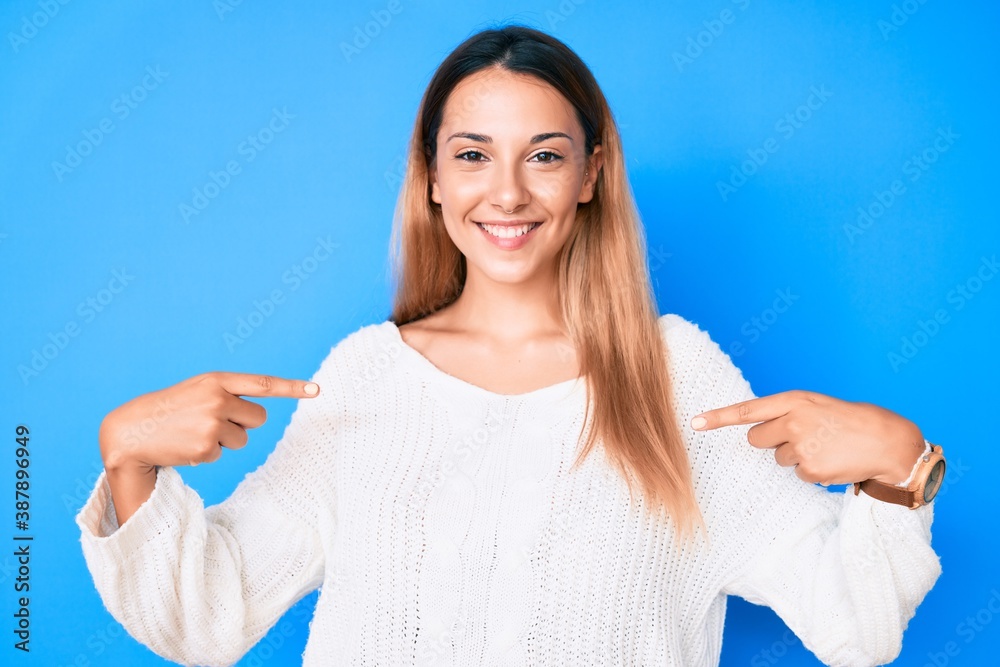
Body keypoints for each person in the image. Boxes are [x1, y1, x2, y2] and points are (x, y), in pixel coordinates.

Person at [76, 23, 943, 666]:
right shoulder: (368, 377)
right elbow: (208, 616)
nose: (508, 192)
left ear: (591, 174)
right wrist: (131, 459)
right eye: (472, 154)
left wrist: (899, 468)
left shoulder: (673, 376)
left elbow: (851, 625)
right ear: (433, 178)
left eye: (545, 156)